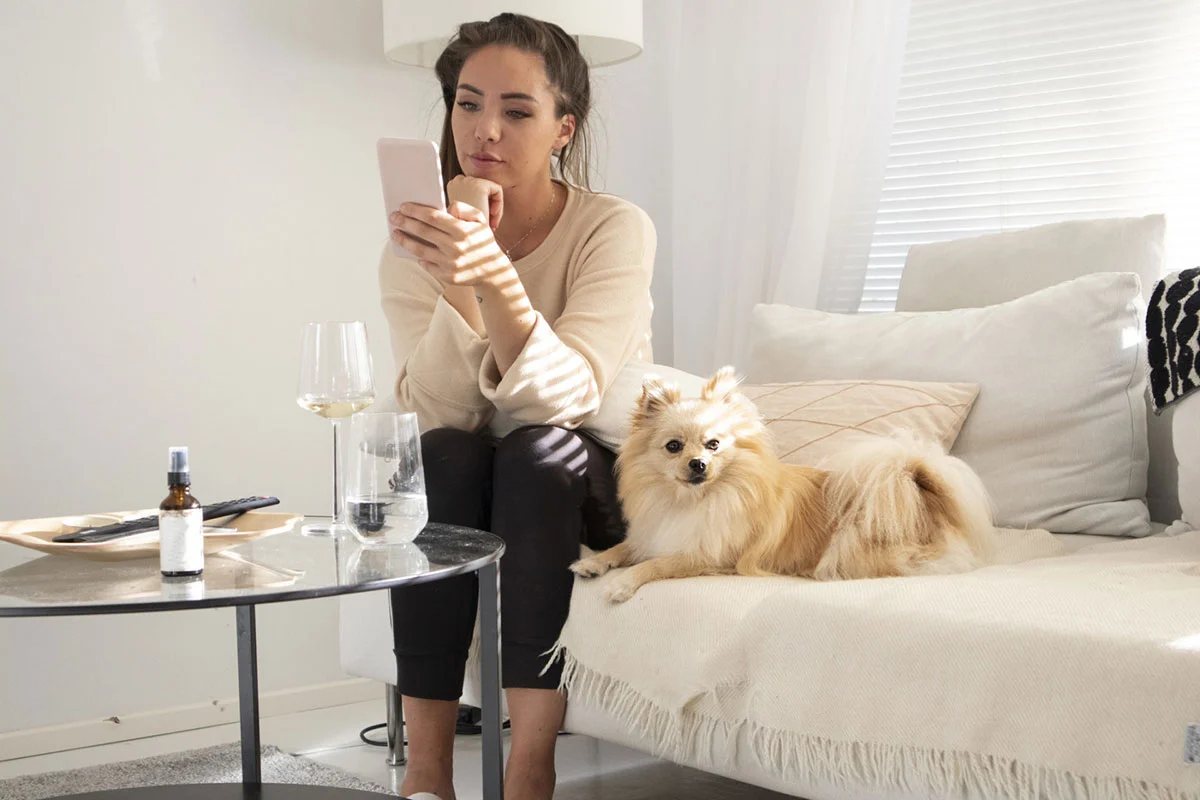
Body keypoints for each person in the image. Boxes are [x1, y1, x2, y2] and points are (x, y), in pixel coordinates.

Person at [380, 12, 656, 800]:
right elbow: (439, 410)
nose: (485, 131)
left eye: (517, 111)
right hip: (473, 470)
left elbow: (569, 398)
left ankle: (530, 764)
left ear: (564, 126)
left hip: (590, 478)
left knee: (537, 452)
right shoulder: (415, 245)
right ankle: (427, 773)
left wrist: (494, 275)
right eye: (467, 105)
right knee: (441, 457)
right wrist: (458, 270)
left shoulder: (614, 227)